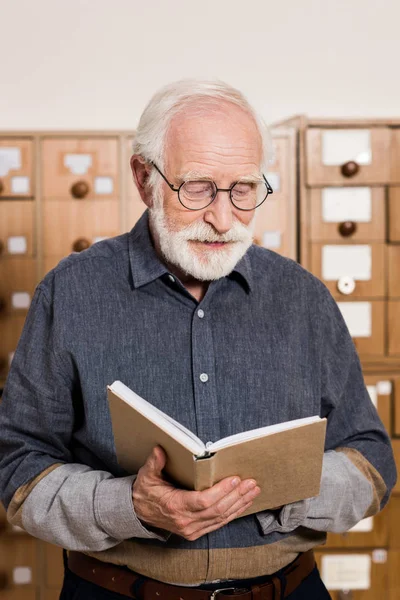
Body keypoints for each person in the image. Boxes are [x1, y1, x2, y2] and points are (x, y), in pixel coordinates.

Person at [0, 80, 396, 600]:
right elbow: (17, 471)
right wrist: (131, 506)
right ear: (144, 178)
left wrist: (286, 488)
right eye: (198, 187)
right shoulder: (70, 293)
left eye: (244, 189)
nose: (223, 217)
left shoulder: (303, 298)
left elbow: (373, 460)